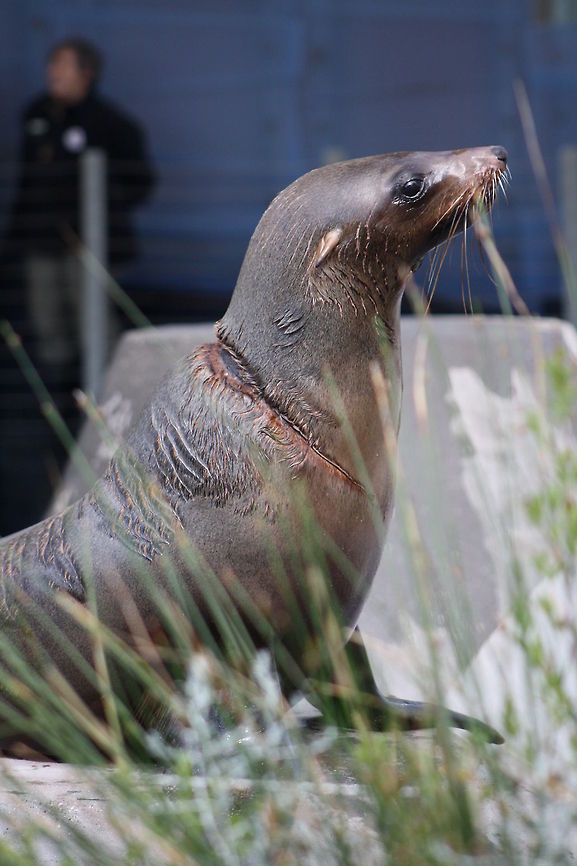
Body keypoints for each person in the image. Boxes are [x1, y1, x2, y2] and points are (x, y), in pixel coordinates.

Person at [4, 37, 154, 367]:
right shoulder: (36, 113)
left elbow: (140, 184)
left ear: (86, 74)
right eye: (51, 64)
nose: (51, 72)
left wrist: (103, 212)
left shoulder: (112, 125)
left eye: (61, 64)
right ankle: (59, 404)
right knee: (47, 323)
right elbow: (27, 183)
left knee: (94, 322)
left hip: (89, 247)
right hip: (41, 242)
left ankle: (107, 400)